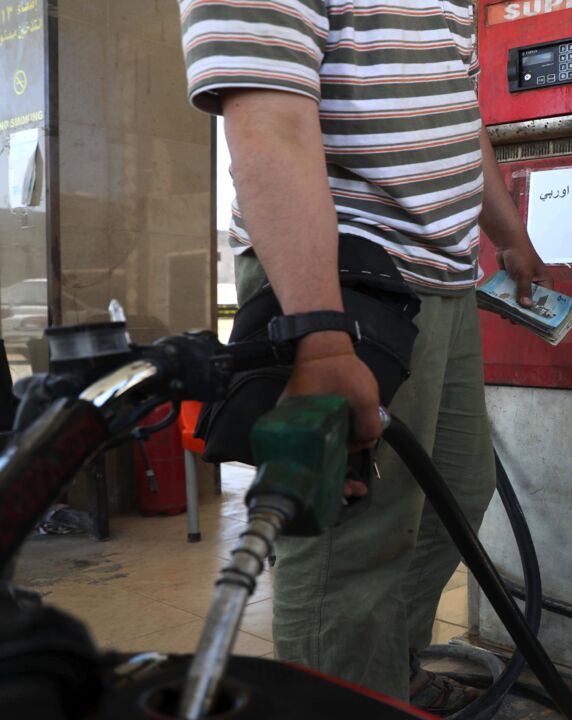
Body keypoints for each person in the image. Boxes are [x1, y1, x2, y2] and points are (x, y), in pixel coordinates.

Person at [179, 1, 548, 712]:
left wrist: (508, 233)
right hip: (342, 276)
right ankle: (348, 697)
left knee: (456, 496)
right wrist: (318, 334)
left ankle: (385, 677)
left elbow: (459, 114)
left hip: (441, 276)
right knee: (350, 550)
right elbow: (268, 114)